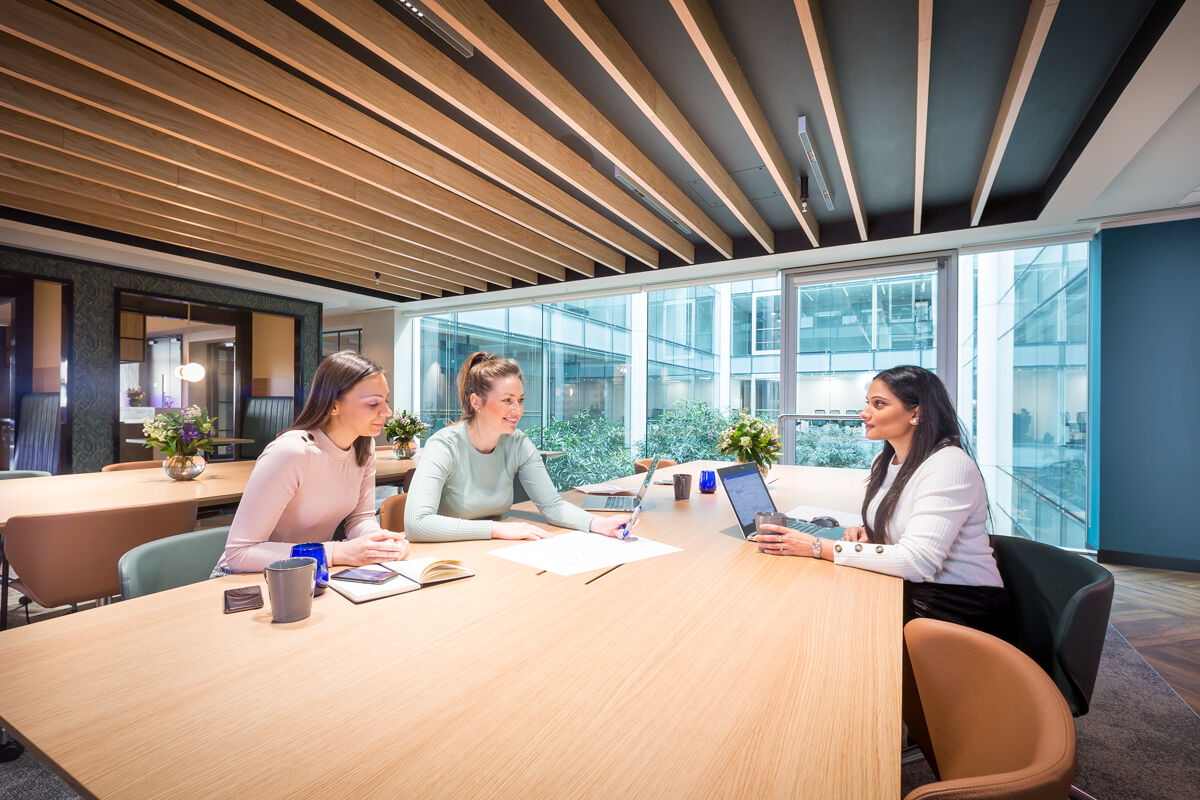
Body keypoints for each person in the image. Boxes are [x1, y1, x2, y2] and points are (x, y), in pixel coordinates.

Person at [755, 365, 1010, 637]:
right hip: (914, 590)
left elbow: (918, 561)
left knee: (823, 618)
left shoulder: (949, 465)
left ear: (916, 413)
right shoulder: (886, 461)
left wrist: (817, 546)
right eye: (867, 403)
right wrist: (872, 532)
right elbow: (909, 525)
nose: (865, 413)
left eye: (878, 404)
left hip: (955, 608)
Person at [214, 350, 409, 575]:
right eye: (374, 404)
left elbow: (360, 519)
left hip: (311, 571)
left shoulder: (363, 445)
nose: (388, 412)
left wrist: (380, 545)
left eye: (386, 401)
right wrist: (338, 552)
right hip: (246, 578)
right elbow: (240, 553)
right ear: (333, 406)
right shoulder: (292, 452)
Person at [405, 351, 633, 542]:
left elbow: (552, 505)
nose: (517, 410)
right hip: (450, 555)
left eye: (520, 400)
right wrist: (496, 530)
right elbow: (417, 524)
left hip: (492, 551)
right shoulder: (444, 445)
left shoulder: (518, 443)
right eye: (507, 400)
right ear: (476, 402)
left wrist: (599, 523)